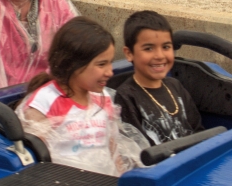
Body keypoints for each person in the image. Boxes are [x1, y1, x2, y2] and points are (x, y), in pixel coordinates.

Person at [16, 16, 148, 177]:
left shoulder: (102, 98)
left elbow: (113, 152)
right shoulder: (45, 102)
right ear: (73, 64)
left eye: (110, 62)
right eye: (101, 64)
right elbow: (33, 163)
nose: (110, 72)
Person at [114, 10, 204, 146]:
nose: (160, 55)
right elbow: (137, 148)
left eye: (166, 47)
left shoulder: (175, 86)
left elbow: (198, 132)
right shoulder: (126, 97)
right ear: (129, 53)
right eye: (149, 48)